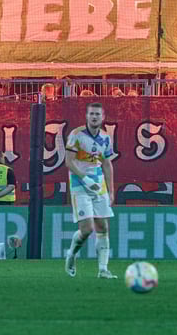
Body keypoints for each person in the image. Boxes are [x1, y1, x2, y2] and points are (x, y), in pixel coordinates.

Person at [63, 102, 116, 279]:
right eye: (92, 114)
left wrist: (111, 190)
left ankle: (103, 269)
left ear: (103, 117)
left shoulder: (106, 138)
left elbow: (107, 164)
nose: (94, 117)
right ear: (86, 116)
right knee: (87, 229)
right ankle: (71, 254)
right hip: (79, 184)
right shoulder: (76, 135)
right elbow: (69, 162)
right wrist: (85, 179)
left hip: (98, 184)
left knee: (103, 226)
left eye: (98, 114)